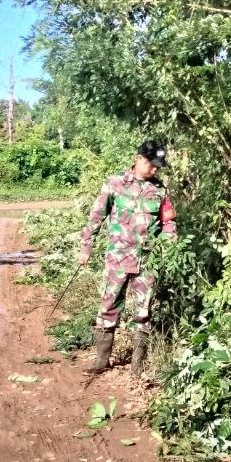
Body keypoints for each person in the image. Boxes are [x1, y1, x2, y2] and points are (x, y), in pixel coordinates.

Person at [77, 141, 178, 375]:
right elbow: (96, 216)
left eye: (158, 166)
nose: (155, 169)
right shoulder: (115, 184)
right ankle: (101, 360)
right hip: (118, 259)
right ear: (139, 159)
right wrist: (86, 246)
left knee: (143, 311)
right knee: (108, 306)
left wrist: (168, 243)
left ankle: (137, 367)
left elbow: (168, 222)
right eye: (152, 164)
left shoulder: (160, 191)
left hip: (147, 261)